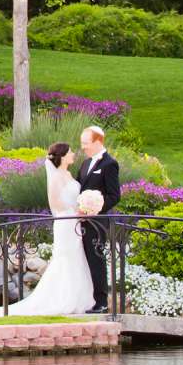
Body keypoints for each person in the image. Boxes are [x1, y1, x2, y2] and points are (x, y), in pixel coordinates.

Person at [0, 141, 93, 317]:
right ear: (63, 156)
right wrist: (75, 211)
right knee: (65, 258)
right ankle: (63, 299)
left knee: (76, 257)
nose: (74, 153)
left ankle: (79, 297)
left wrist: (84, 207)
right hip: (65, 222)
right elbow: (55, 202)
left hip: (74, 222)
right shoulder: (57, 176)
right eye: (70, 151)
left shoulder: (68, 174)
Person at [76, 125, 121, 313]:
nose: (83, 147)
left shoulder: (109, 164)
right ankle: (86, 299)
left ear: (98, 142)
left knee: (97, 259)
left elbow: (114, 195)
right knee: (84, 260)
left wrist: (94, 208)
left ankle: (101, 303)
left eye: (86, 144)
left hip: (97, 222)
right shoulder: (85, 164)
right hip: (81, 222)